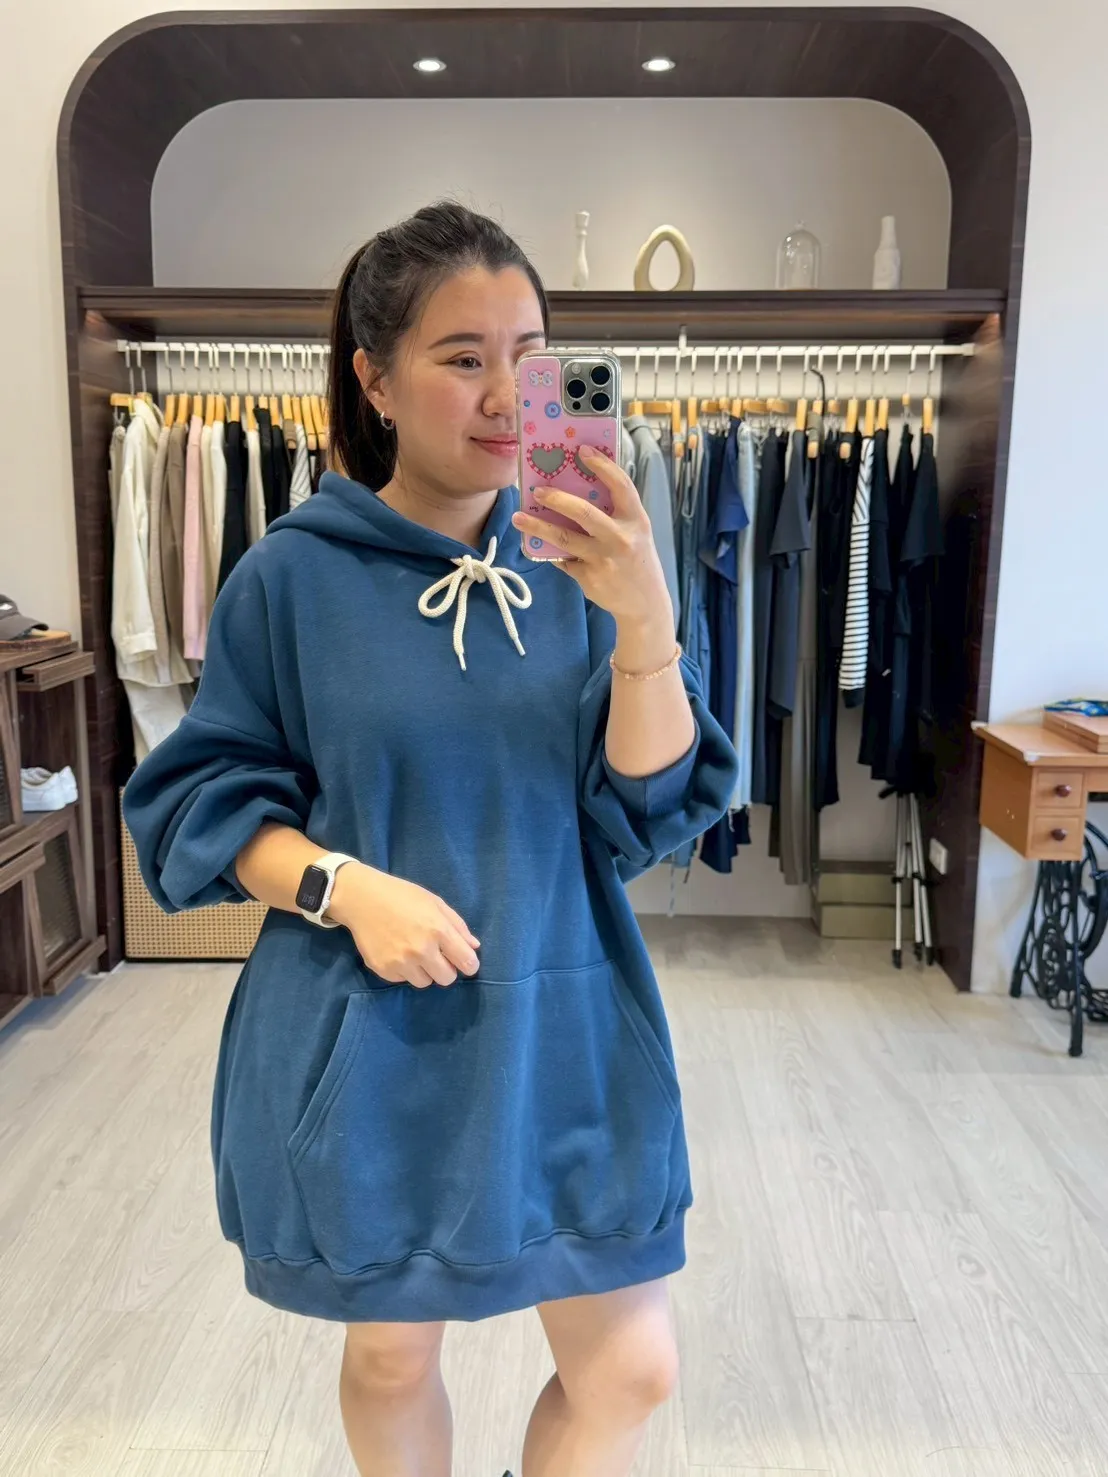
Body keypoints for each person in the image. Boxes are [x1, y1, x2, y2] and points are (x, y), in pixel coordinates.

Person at [123, 200, 738, 1477]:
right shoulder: (290, 578)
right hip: (373, 1029)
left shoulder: (590, 562)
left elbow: (644, 804)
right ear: (375, 380)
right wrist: (346, 887)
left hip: (564, 1016)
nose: (508, 394)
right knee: (395, 1354)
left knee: (631, 1367)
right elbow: (203, 799)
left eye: (531, 355)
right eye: (463, 357)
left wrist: (643, 625)